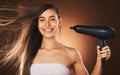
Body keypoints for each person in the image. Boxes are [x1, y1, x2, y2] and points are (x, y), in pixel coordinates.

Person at [0, 4, 111, 75]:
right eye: (42, 20)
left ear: (60, 22)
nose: (47, 24)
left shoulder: (71, 53)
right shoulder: (27, 52)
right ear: (38, 24)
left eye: (52, 19)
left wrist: (100, 60)